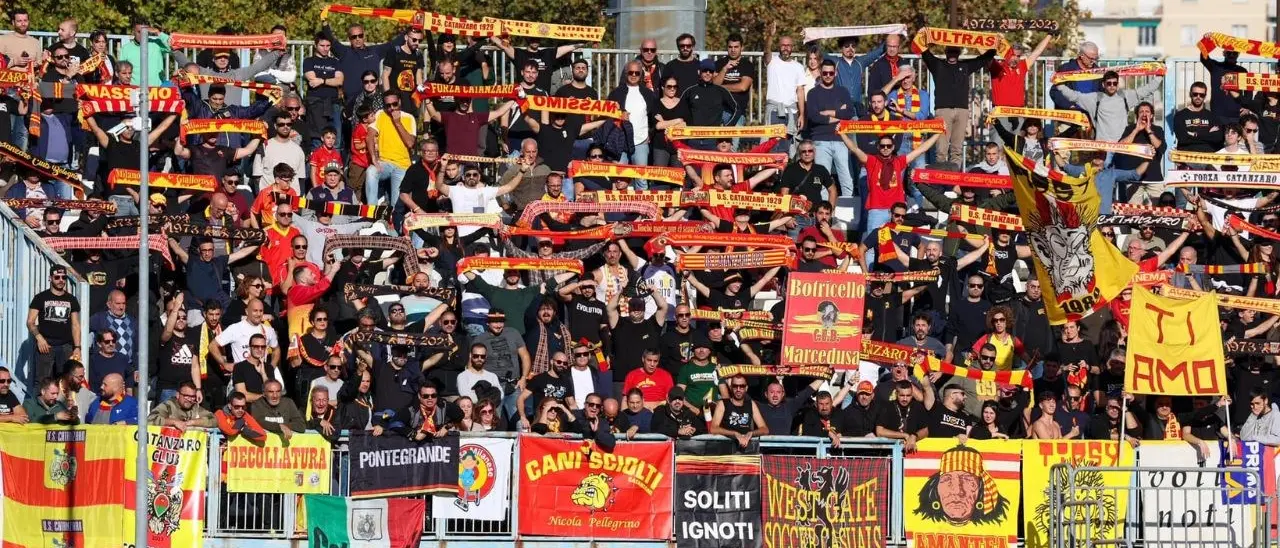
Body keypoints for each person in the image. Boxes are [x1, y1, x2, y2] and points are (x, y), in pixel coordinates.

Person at [921, 45, 997, 164]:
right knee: (941, 150)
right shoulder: (938, 65)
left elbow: (983, 59)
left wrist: (993, 45)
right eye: (950, 52)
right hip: (943, 111)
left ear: (959, 53)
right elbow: (924, 52)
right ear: (945, 52)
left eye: (955, 52)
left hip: (962, 111)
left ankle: (954, 179)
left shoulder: (965, 66)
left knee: (957, 149)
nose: (952, 54)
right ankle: (940, 179)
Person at [28, 266, 82, 382]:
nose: (61, 280)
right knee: (42, 381)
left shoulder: (71, 299)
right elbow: (30, 322)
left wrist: (77, 347)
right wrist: (39, 338)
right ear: (50, 278)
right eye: (57, 277)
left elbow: (76, 325)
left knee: (66, 381)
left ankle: (63, 401)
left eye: (64, 277)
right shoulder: (40, 297)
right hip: (46, 345)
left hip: (66, 346)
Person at [709, 374, 769, 449]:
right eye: (735, 386)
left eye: (742, 386)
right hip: (726, 448)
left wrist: (751, 434)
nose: (738, 389)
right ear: (731, 387)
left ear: (746, 388)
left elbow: (765, 429)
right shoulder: (723, 404)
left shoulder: (751, 404)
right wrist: (735, 434)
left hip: (745, 448)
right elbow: (713, 429)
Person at [149, 382, 215, 430]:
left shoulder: (195, 407)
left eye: (192, 397)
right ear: (178, 395)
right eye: (186, 396)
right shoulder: (168, 406)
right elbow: (150, 420)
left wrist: (193, 422)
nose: (189, 399)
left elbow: (214, 420)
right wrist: (173, 422)